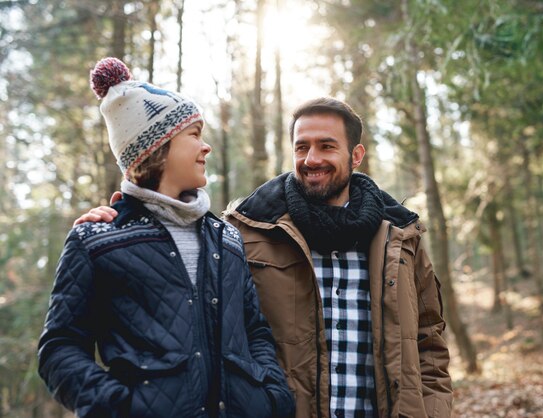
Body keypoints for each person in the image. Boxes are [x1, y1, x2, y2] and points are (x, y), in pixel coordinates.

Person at [77, 97, 453, 417]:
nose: (311, 159)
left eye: (326, 146)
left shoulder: (401, 237)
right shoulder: (243, 232)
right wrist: (121, 218)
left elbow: (429, 343)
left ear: (356, 155)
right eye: (301, 147)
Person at [38, 57, 294, 418]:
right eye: (194, 135)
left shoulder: (228, 240)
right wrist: (120, 407)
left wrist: (271, 398)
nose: (206, 147)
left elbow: (255, 332)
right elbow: (60, 348)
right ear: (156, 148)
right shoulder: (97, 240)